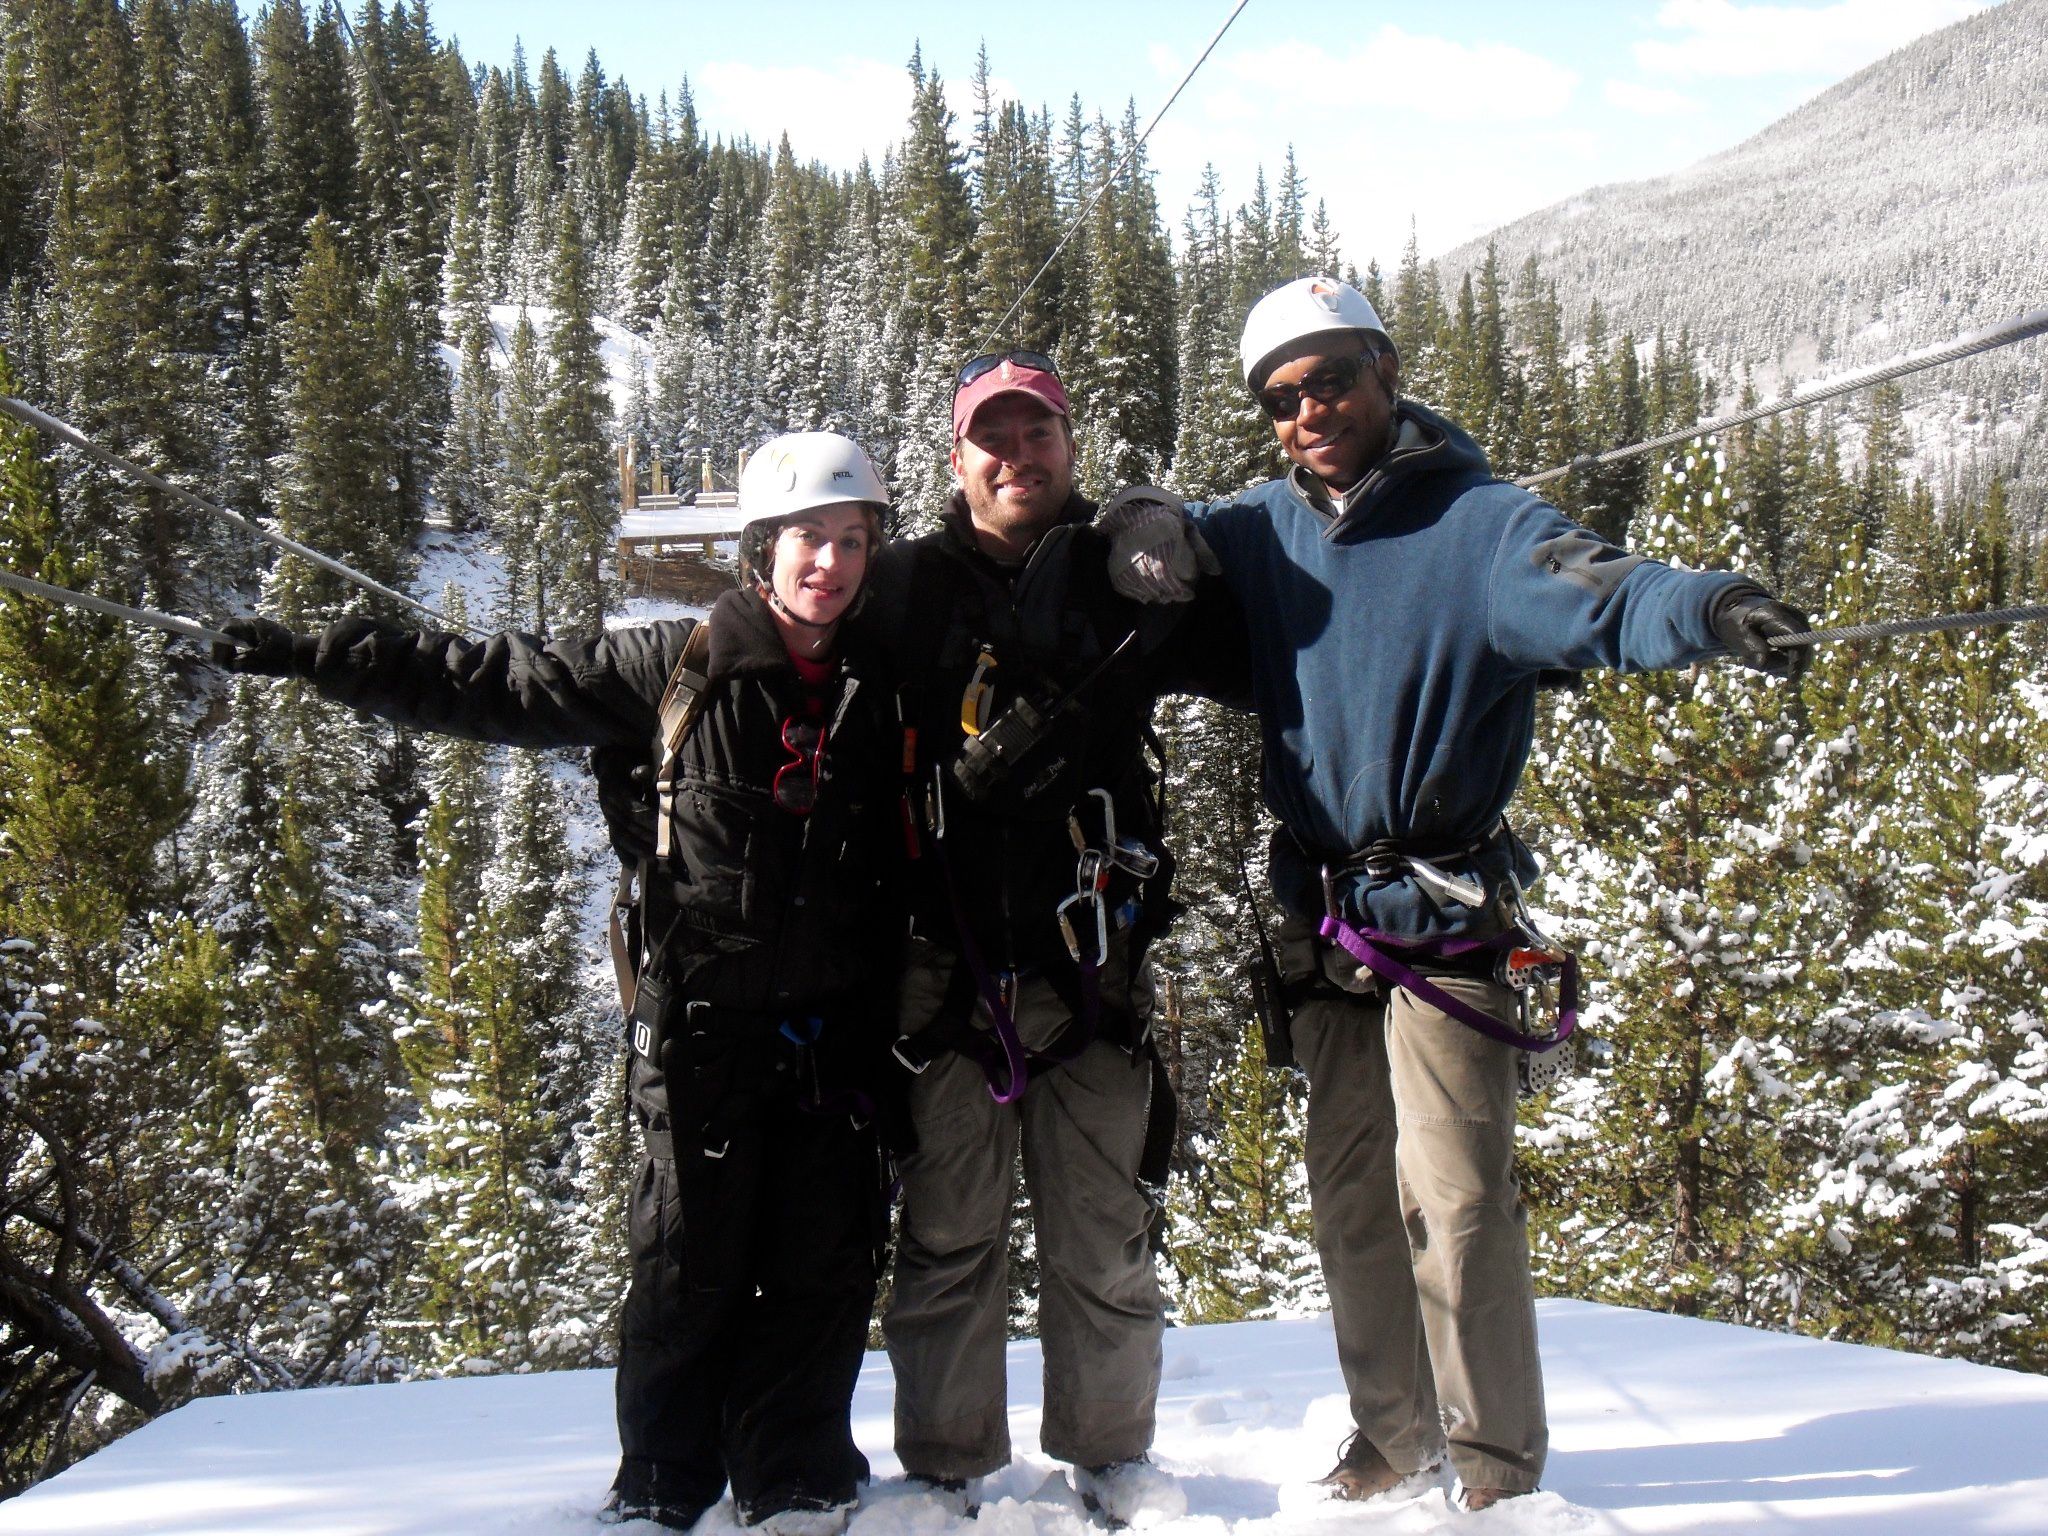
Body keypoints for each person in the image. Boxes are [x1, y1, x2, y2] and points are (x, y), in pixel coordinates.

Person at [1102, 277, 1810, 1512]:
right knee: (1351, 1201)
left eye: (1329, 379)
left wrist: (1712, 610)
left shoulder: (1483, 529)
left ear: (1384, 371)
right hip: (1317, 921)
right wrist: (1138, 520)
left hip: (1437, 918)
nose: (1308, 409)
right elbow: (1170, 534)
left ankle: (1490, 1473)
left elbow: (1605, 591)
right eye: (1281, 396)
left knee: (1460, 1201)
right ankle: (1394, 1439)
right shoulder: (1267, 529)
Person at [213, 431, 904, 1536]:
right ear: (762, 549)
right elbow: (491, 683)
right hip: (701, 1038)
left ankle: (798, 1484)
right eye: (808, 540)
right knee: (688, 1272)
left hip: (834, 1044)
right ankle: (662, 1490)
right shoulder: (668, 668)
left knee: (820, 1273)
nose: (829, 563)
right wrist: (319, 657)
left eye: (852, 542)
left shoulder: (884, 686)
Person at [857, 352, 1245, 1525]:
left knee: (1103, 1233)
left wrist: (1169, 526)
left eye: (1039, 436)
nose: (1016, 456)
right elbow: (796, 648)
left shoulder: (1118, 576)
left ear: (1069, 447)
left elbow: (1253, 628)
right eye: (994, 436)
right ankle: (944, 1463)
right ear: (957, 456)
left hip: (1092, 966)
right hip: (945, 967)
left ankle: (1110, 1452)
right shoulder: (902, 588)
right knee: (945, 1241)